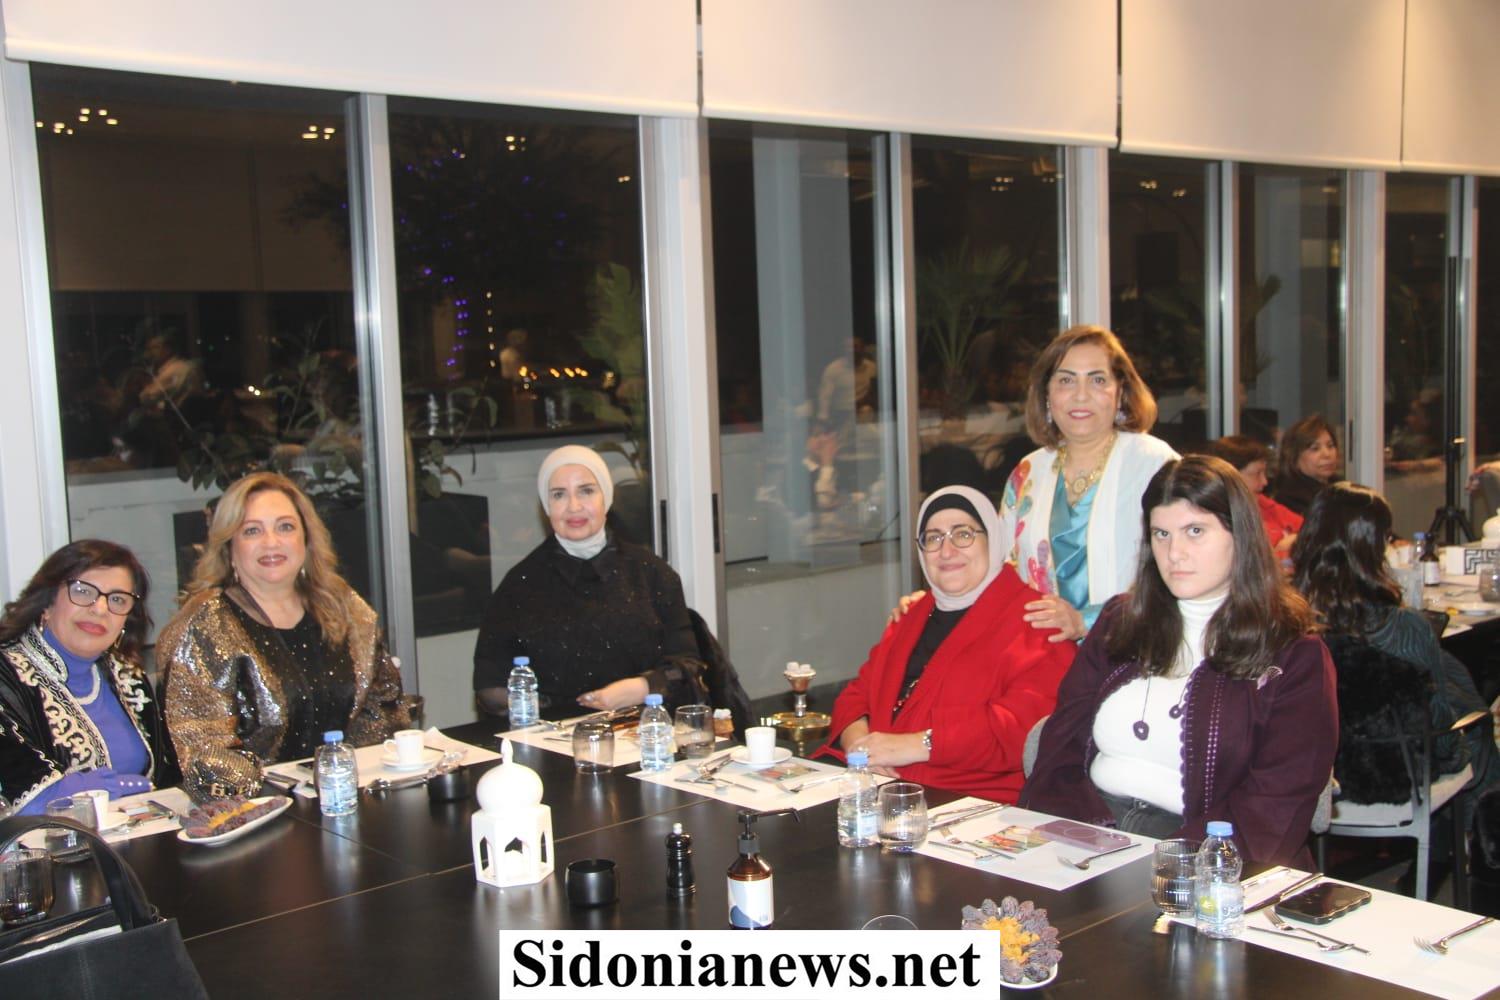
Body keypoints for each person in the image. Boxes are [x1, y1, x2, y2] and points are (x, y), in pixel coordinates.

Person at [1021, 456, 1337, 866]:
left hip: (1209, 855)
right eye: (1161, 534)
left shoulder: (1293, 653)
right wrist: (1071, 836)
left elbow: (1276, 806)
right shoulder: (1121, 621)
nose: (1175, 553)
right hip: (1092, 829)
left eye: (1195, 531)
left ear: (1240, 535)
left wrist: (1169, 862)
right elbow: (1061, 743)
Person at [160, 472, 407, 798]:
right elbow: (202, 750)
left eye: (285, 527)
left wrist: (350, 779)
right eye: (252, 530)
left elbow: (383, 711)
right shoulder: (204, 625)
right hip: (251, 810)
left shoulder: (345, 607)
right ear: (229, 546)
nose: (271, 542)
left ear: (306, 538)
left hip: (346, 794)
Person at [823, 487, 1074, 802]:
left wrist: (919, 744)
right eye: (933, 538)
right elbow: (856, 695)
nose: (947, 550)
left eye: (963, 534)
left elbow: (1022, 729)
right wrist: (860, 747)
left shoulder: (1037, 621)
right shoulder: (911, 615)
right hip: (885, 792)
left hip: (976, 804)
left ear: (993, 540)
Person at [473, 445, 708, 718]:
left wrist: (641, 688)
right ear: (546, 506)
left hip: (646, 728)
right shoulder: (519, 586)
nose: (574, 506)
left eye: (586, 491)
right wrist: (557, 713)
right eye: (559, 494)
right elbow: (490, 685)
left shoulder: (651, 574)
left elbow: (688, 666)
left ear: (606, 498)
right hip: (552, 734)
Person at [1291, 482, 1492, 790]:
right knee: (1474, 720)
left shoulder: (1283, 623)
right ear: (1374, 548)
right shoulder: (1404, 628)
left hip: (1315, 781)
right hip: (1398, 779)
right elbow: (1440, 731)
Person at [998, 325, 1178, 642]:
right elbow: (999, 570)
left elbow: (1184, 567)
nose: (1081, 395)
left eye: (1097, 380)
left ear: (1120, 393)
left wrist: (1087, 621)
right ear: (1046, 395)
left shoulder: (1154, 464)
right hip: (1044, 654)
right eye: (1066, 380)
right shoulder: (1028, 471)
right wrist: (936, 603)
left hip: (1133, 649)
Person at [0, 540, 177, 815]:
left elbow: (167, 779)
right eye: (83, 592)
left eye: (117, 599)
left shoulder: (128, 677)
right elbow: (28, 800)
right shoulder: (7, 674)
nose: (100, 609)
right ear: (47, 602)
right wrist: (119, 787)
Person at [1209, 434, 1301, 556]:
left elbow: (1308, 530)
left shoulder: (1263, 504)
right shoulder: (1217, 520)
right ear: (1232, 477)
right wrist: (1279, 552)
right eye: (1257, 473)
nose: (1265, 481)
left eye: (1264, 473)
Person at [1271, 414, 1340, 516]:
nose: (1327, 454)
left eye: (1330, 446)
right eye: (1315, 448)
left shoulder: (1340, 489)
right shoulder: (1290, 499)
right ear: (1294, 457)